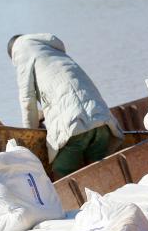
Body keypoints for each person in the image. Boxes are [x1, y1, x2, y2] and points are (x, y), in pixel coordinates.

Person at [7, 34, 124, 179]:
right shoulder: (55, 53)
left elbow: (27, 102)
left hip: (73, 128)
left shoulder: (22, 54)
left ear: (13, 55)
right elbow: (69, 94)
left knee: (63, 176)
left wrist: (30, 134)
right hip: (102, 120)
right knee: (100, 174)